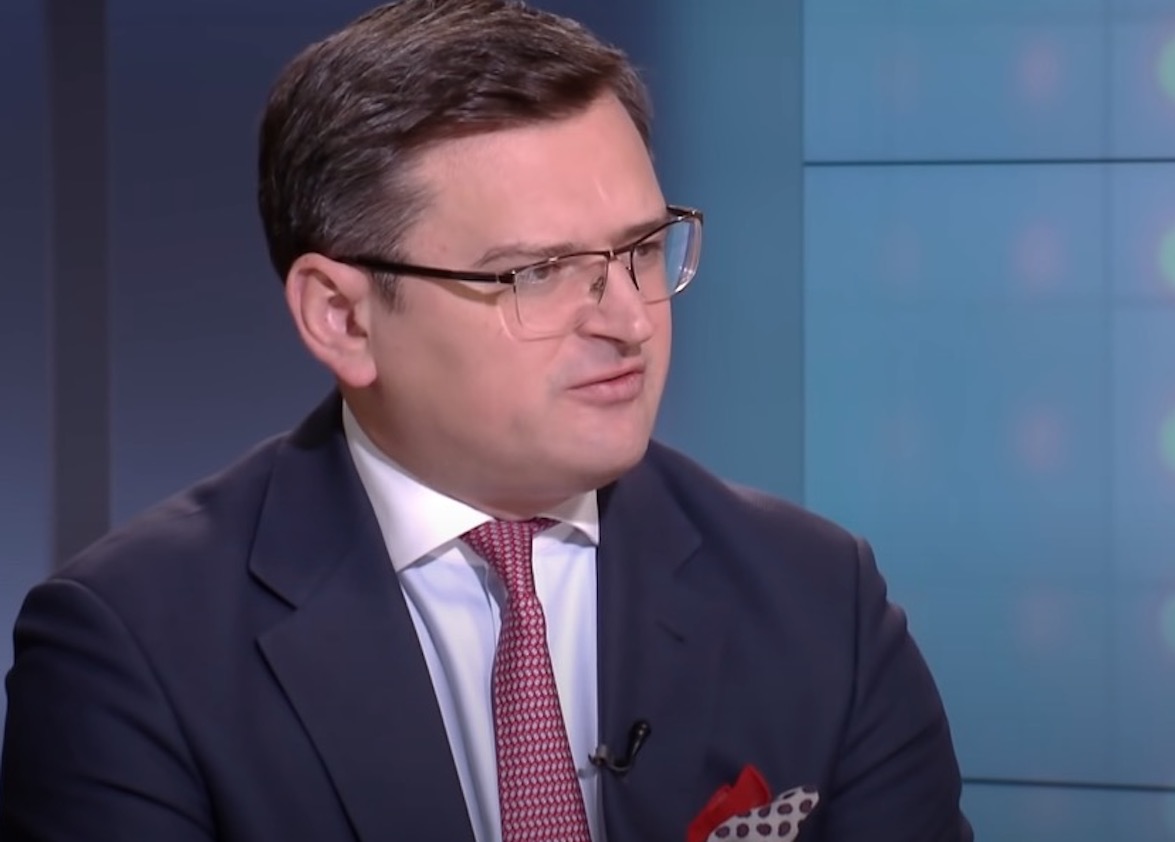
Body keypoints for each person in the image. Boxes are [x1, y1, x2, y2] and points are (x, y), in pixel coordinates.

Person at [0, 2, 973, 840]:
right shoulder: (134, 648)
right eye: (538, 273)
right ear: (342, 319)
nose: (631, 320)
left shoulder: (817, 600)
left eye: (641, 249)